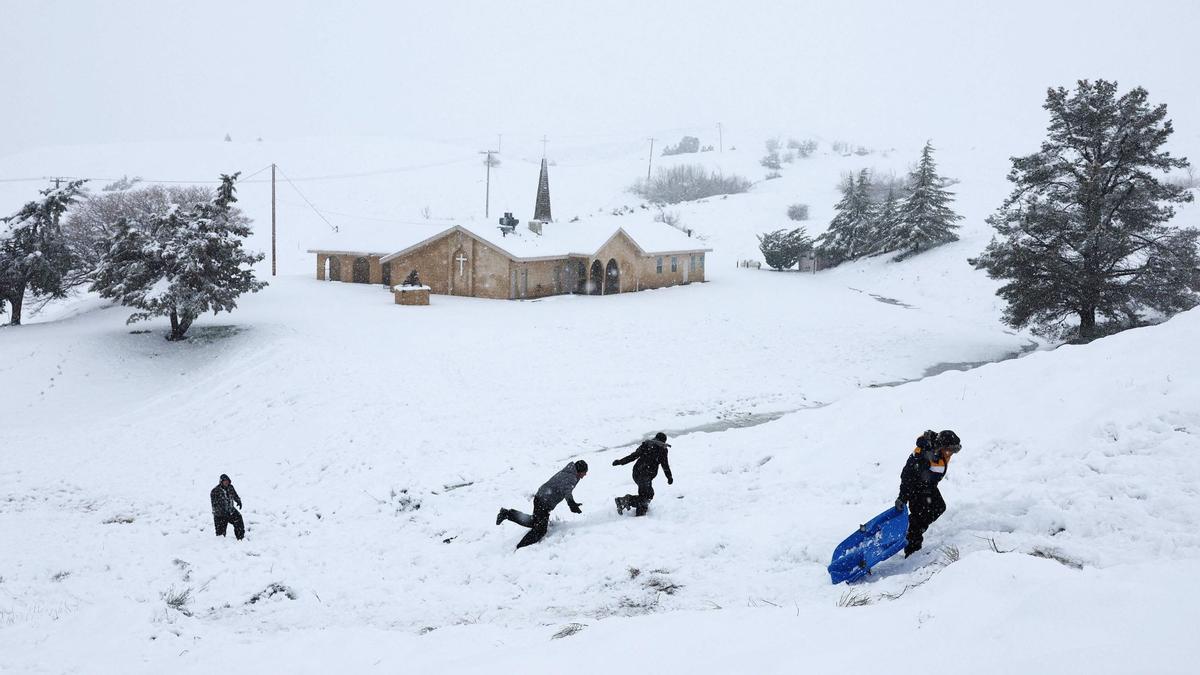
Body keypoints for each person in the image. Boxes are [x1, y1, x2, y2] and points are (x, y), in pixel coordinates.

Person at [896, 430, 961, 557]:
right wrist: (902, 497)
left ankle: (914, 528)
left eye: (954, 451)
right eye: (949, 450)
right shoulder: (923, 454)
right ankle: (911, 551)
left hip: (929, 487)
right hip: (915, 489)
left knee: (939, 507)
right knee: (918, 517)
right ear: (942, 446)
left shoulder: (941, 451)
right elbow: (907, 476)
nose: (951, 454)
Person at [496, 460, 588, 549]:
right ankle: (520, 547)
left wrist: (573, 503)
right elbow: (567, 491)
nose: (585, 475)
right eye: (584, 472)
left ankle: (507, 514)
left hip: (542, 498)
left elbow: (566, 488)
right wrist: (572, 505)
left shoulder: (570, 473)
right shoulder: (571, 477)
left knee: (534, 522)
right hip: (544, 501)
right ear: (579, 470)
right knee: (540, 531)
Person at [612, 432, 673, 517]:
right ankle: (626, 502)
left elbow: (633, 456)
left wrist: (620, 461)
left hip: (637, 472)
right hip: (645, 475)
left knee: (648, 494)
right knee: (646, 497)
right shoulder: (662, 449)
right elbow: (665, 465)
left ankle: (639, 511)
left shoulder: (647, 444)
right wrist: (669, 477)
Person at [210, 473, 245, 540]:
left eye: (227, 481)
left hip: (230, 510)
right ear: (221, 482)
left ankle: (240, 538)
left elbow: (235, 495)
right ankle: (221, 546)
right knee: (220, 536)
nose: (226, 482)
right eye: (224, 481)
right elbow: (214, 505)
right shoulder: (215, 491)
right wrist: (222, 512)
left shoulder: (230, 487)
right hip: (220, 515)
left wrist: (238, 501)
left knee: (238, 519)